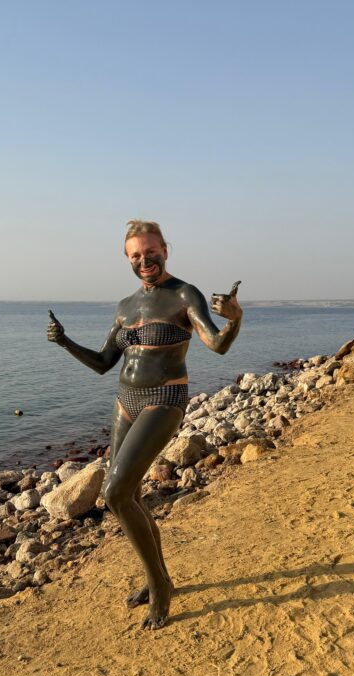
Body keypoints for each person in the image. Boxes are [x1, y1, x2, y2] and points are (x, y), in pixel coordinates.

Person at [47, 220, 242, 629]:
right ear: (128, 259)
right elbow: (104, 363)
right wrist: (64, 341)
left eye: (150, 252)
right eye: (135, 255)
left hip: (164, 399)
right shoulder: (125, 306)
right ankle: (160, 578)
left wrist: (235, 318)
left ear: (165, 250)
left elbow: (217, 345)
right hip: (125, 400)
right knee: (127, 495)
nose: (144, 260)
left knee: (115, 492)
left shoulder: (184, 294)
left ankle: (159, 587)